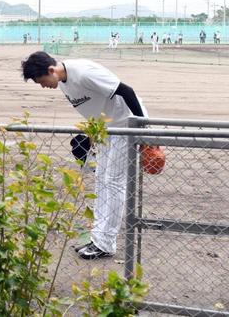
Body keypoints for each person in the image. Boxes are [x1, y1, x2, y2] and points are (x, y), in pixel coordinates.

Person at [21, 51, 148, 260]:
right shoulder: (63, 82)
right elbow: (92, 108)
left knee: (113, 182)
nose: (42, 86)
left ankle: (105, 244)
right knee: (101, 181)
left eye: (41, 81)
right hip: (106, 130)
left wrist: (143, 131)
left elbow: (127, 91)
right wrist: (91, 135)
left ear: (51, 70)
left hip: (126, 125)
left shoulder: (84, 73)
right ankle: (98, 238)